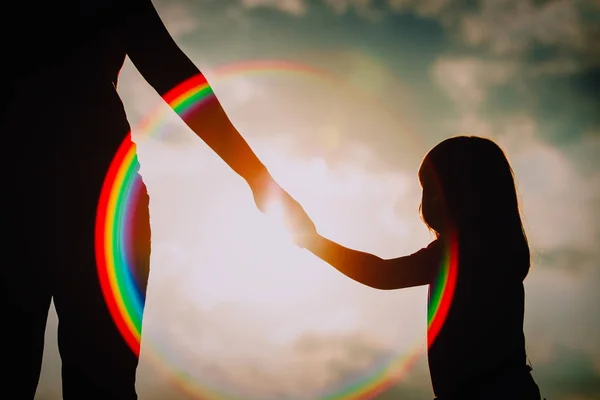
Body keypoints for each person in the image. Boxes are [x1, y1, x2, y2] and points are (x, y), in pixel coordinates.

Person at [2, 0, 313, 399]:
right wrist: (258, 178)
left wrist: (258, 178)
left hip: (86, 198)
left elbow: (173, 74)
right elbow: (172, 73)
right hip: (88, 197)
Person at [296, 136, 542, 399]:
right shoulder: (498, 251)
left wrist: (314, 241)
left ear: (478, 193)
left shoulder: (465, 252)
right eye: (428, 189)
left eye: (444, 188)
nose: (432, 200)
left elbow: (380, 274)